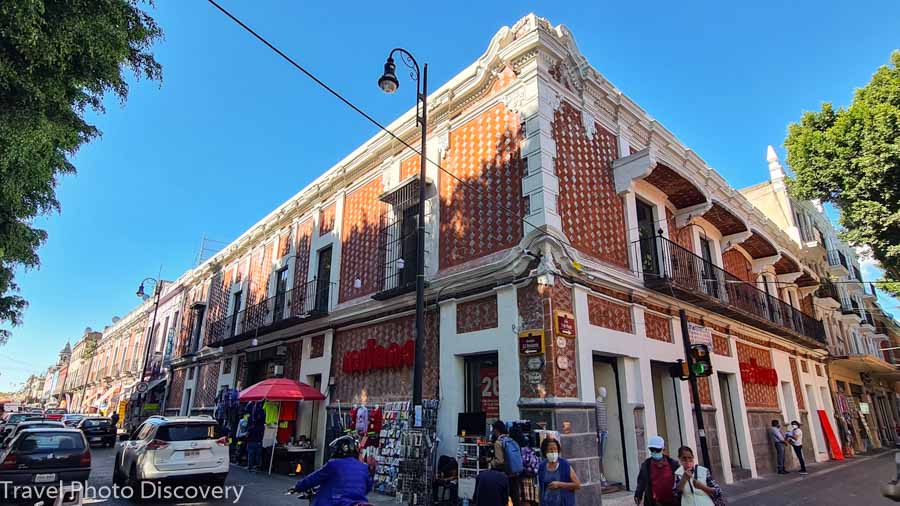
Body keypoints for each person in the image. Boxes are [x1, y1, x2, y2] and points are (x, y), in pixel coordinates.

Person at [293, 435, 371, 506]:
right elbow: (368, 487)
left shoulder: (333, 464)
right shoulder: (363, 467)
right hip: (358, 503)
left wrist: (298, 487)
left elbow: (313, 479)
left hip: (335, 502)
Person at [634, 435, 679, 506]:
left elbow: (679, 481)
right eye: (652, 449)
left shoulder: (673, 464)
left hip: (672, 502)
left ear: (663, 449)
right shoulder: (646, 465)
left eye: (657, 450)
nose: (654, 452)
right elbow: (641, 481)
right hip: (653, 502)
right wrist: (638, 494)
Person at [537, 438, 580, 506]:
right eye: (550, 450)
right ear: (545, 451)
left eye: (555, 449)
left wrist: (559, 484)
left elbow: (577, 485)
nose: (553, 452)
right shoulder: (542, 466)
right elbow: (541, 488)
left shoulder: (564, 465)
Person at [489, 420, 521, 505]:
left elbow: (499, 461)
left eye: (493, 429)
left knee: (503, 500)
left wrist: (490, 462)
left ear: (496, 430)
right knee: (515, 499)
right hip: (515, 473)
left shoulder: (498, 442)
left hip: (504, 475)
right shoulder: (511, 440)